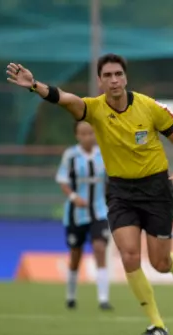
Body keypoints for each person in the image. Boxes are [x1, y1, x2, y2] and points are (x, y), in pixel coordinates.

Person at [6, 54, 173, 335]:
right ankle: (157, 324)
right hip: (120, 192)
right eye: (107, 75)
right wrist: (35, 86)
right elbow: (66, 99)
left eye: (118, 74)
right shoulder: (93, 109)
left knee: (160, 263)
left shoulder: (149, 107)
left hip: (157, 191)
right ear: (99, 80)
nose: (114, 79)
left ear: (126, 77)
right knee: (129, 256)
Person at [56, 121, 112, 311]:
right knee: (75, 254)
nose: (87, 136)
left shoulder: (103, 154)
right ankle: (71, 296)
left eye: (90, 132)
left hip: (99, 211)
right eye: (83, 133)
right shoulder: (70, 155)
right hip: (76, 213)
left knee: (99, 248)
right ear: (77, 135)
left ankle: (103, 299)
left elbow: (110, 180)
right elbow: (63, 181)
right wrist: (74, 197)